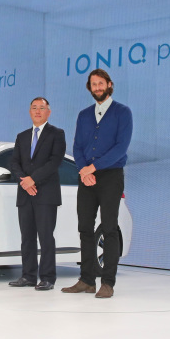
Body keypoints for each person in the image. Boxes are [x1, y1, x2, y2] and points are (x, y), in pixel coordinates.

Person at [62, 69, 133, 299]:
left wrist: (93, 167)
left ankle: (108, 282)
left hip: (111, 176)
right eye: (93, 84)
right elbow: (77, 147)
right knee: (85, 228)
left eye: (101, 83)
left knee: (109, 228)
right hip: (86, 177)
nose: (97, 87)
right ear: (90, 88)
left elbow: (120, 148)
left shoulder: (123, 112)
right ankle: (86, 280)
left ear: (109, 85)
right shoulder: (84, 115)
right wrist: (84, 170)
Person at [8, 97, 66, 291]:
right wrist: (24, 181)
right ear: (29, 111)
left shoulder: (57, 134)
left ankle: (48, 277)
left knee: (46, 237)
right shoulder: (22, 136)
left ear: (48, 112)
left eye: (42, 108)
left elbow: (54, 161)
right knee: (27, 237)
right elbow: (14, 163)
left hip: (46, 194)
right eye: (34, 108)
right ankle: (28, 276)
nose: (38, 111)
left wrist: (33, 179)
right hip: (25, 194)